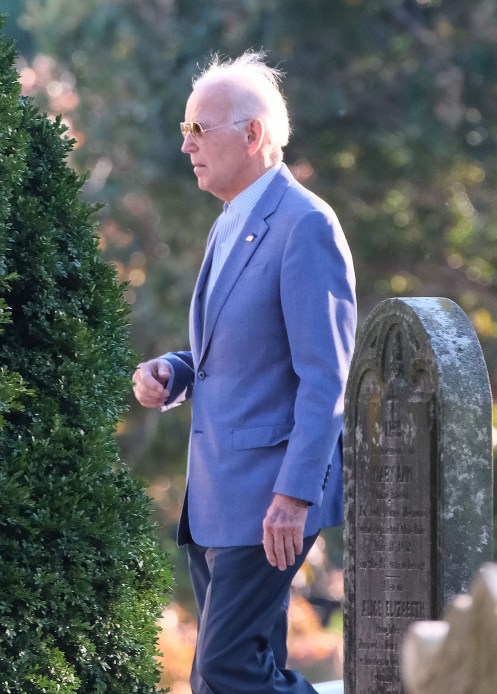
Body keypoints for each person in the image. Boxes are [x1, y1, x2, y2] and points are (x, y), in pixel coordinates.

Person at [132, 51, 356, 693]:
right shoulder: (232, 221)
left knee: (227, 673)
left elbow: (324, 379)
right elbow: (238, 352)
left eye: (199, 129)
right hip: (217, 499)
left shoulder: (305, 226)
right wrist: (175, 372)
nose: (186, 146)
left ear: (253, 134)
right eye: (184, 130)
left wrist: (293, 497)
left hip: (269, 501)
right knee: (237, 675)